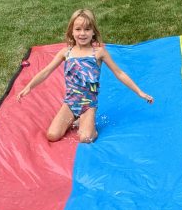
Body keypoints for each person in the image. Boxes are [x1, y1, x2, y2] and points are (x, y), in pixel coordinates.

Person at [17, 8, 154, 143]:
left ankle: (88, 123)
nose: (82, 33)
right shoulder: (66, 52)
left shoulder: (98, 53)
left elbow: (119, 73)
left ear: (93, 31)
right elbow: (46, 71)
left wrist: (139, 92)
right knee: (52, 135)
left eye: (87, 29)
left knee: (85, 138)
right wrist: (29, 86)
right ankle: (76, 119)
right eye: (78, 29)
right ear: (71, 31)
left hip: (88, 105)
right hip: (70, 103)